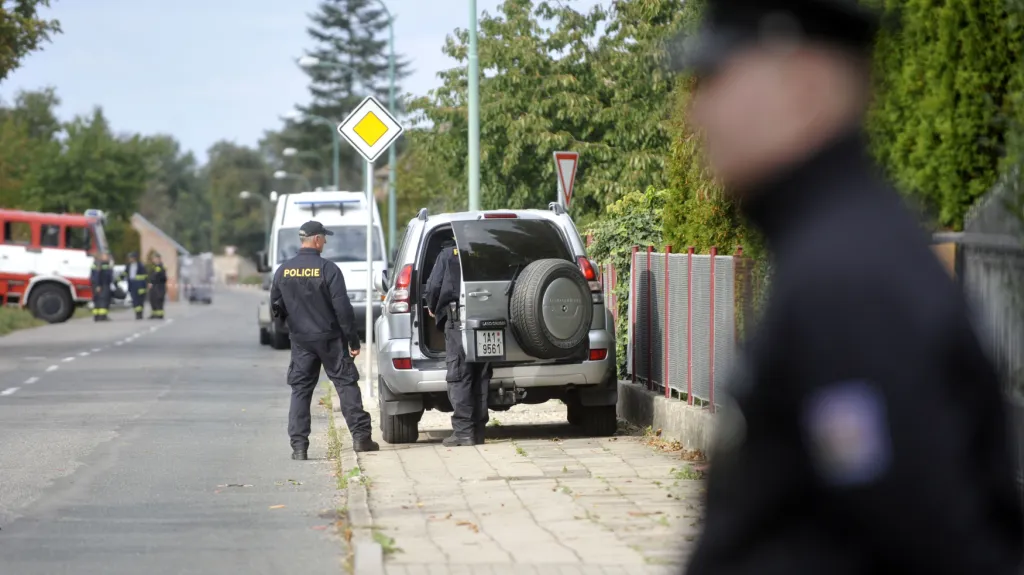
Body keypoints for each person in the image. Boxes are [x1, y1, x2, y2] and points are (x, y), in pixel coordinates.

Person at [678, 1, 1024, 573]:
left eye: (717, 77)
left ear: (802, 86)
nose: (698, 112)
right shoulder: (832, 249)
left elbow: (934, 541)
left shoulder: (850, 283)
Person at [270, 220, 379, 459]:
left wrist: (289, 330)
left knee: (300, 391)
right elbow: (343, 309)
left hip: (301, 341)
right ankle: (361, 438)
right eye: (324, 238)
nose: (326, 242)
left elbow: (276, 308)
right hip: (330, 339)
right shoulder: (328, 269)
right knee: (346, 385)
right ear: (316, 239)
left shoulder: (283, 271)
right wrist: (353, 340)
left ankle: (299, 447)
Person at [424, 233, 491, 447]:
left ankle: (464, 432)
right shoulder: (487, 252)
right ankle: (478, 431)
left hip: (457, 321)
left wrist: (433, 308)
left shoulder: (447, 254)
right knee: (481, 374)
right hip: (488, 321)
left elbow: (433, 287)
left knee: (459, 375)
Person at [119, 252, 148, 320]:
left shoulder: (140, 266)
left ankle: (140, 314)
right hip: (132, 285)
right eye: (129, 258)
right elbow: (124, 274)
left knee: (140, 301)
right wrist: (117, 280)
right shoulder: (128, 266)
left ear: (134, 258)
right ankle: (137, 314)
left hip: (140, 286)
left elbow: (145, 277)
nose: (130, 259)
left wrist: (143, 287)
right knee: (135, 300)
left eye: (131, 258)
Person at [89, 252, 113, 322]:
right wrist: (98, 285)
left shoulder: (99, 263)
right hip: (102, 285)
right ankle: (102, 316)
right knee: (103, 300)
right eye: (106, 256)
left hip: (99, 285)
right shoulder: (100, 264)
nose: (108, 258)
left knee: (97, 300)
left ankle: (97, 316)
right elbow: (97, 275)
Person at [148, 253, 167, 320]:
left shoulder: (161, 267)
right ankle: (154, 314)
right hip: (154, 286)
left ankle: (160, 315)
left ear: (159, 259)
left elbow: (160, 277)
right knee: (153, 299)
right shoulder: (154, 267)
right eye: (153, 258)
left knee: (159, 300)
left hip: (159, 286)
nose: (154, 260)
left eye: (155, 258)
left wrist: (152, 281)